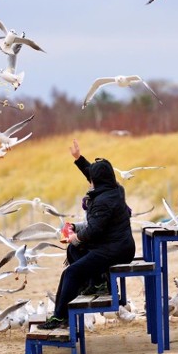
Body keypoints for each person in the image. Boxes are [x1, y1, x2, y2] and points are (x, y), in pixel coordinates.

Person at [40, 139, 136, 330]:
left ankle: (60, 317)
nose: (90, 179)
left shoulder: (102, 201)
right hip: (119, 244)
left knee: (71, 273)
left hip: (113, 250)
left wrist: (77, 236)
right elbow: (96, 176)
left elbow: (93, 231)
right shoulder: (116, 189)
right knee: (74, 251)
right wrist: (78, 159)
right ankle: (98, 282)